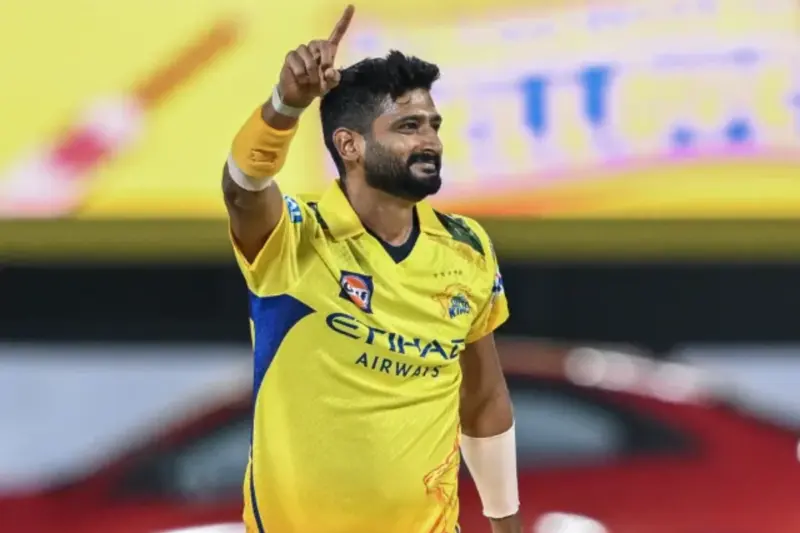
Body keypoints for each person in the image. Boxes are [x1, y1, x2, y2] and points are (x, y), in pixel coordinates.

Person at [223, 5, 520, 533]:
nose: (430, 141)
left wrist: (505, 524)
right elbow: (243, 190)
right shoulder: (294, 239)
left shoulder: (466, 248)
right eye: (408, 126)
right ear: (349, 145)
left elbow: (483, 401)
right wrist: (284, 106)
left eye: (433, 125)